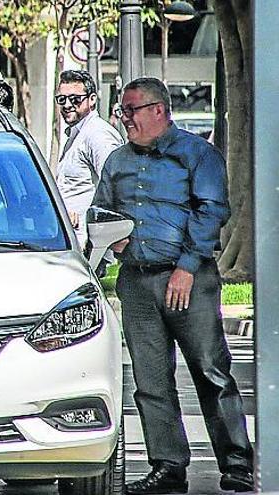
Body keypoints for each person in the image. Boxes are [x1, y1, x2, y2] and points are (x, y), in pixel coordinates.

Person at [94, 77, 254, 494]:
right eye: (122, 110)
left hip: (188, 278)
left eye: (131, 110)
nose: (124, 118)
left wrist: (185, 267)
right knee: (150, 381)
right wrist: (112, 238)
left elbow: (211, 210)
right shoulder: (117, 161)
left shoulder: (197, 155)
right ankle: (168, 465)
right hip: (136, 280)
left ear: (159, 110)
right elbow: (101, 209)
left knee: (211, 371)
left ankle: (237, 462)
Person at [54, 69, 123, 247]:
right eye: (62, 99)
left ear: (92, 99)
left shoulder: (97, 135)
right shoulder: (76, 134)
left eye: (75, 99)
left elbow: (117, 187)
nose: (67, 105)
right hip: (70, 242)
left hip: (89, 246)